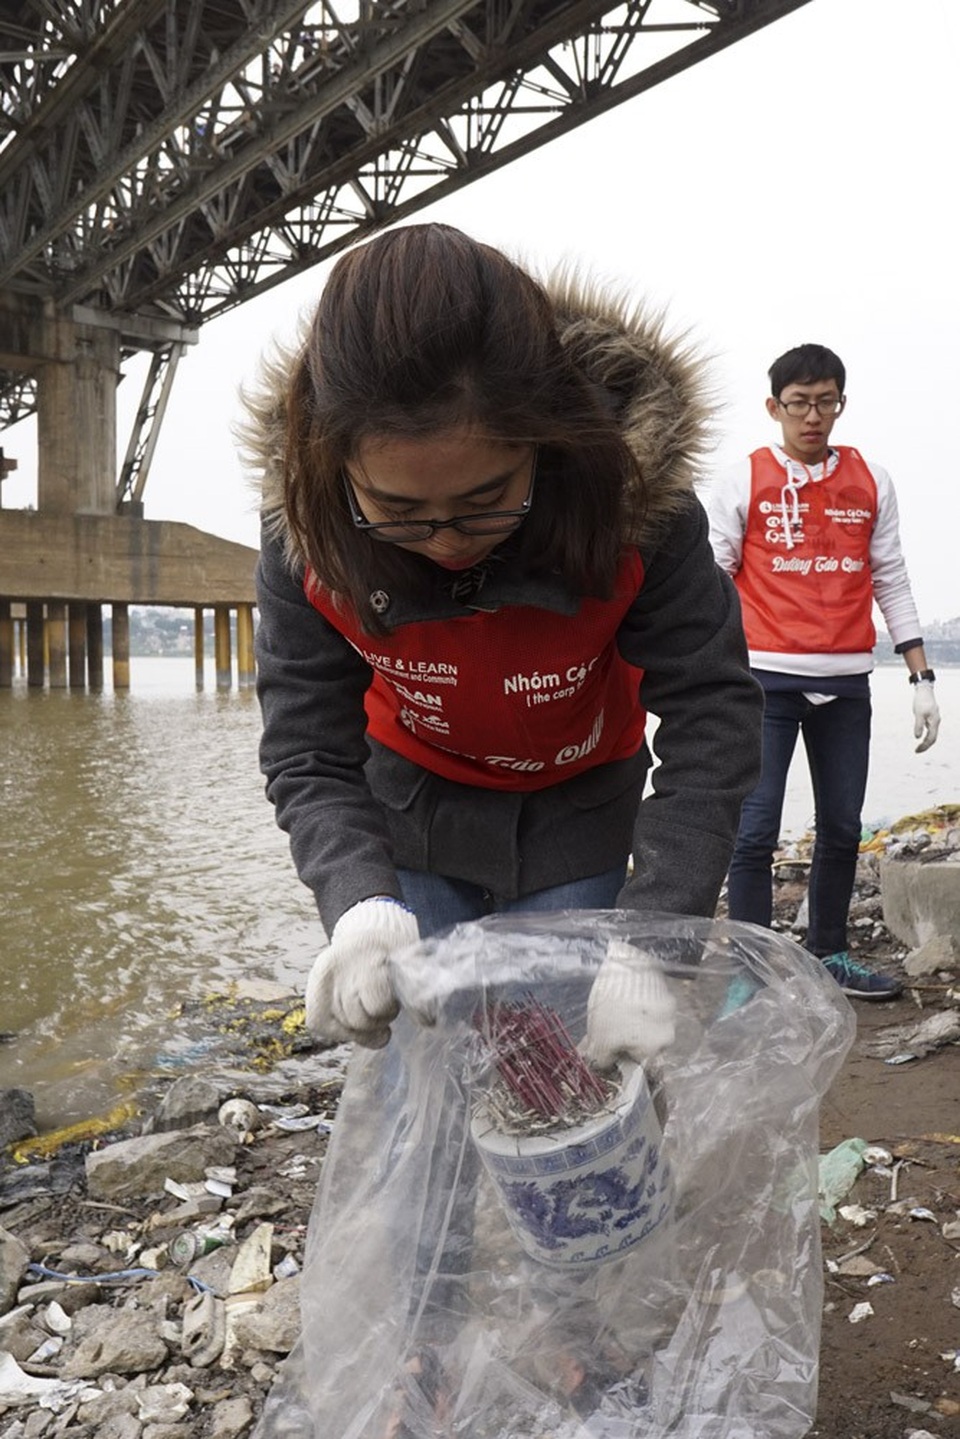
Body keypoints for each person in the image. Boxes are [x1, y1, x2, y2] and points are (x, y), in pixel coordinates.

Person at [245, 221, 762, 1058]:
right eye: (399, 512)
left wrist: (652, 937)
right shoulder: (304, 535)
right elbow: (307, 748)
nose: (447, 539)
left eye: (487, 498)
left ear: (545, 440)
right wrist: (359, 901)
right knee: (424, 1075)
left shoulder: (639, 509)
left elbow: (714, 715)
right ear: (332, 466)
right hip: (411, 815)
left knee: (568, 1070)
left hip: (578, 811)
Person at [707, 342, 940, 1000]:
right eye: (800, 402)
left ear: (841, 403)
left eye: (826, 401)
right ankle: (748, 974)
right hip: (764, 681)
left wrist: (921, 677)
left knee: (841, 825)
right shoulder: (743, 478)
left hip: (846, 682)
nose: (814, 415)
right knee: (753, 831)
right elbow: (713, 578)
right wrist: (707, 675)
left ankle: (830, 953)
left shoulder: (870, 480)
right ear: (774, 406)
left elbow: (891, 576)